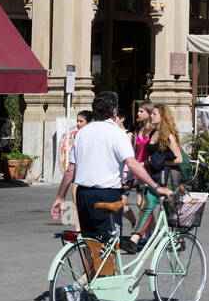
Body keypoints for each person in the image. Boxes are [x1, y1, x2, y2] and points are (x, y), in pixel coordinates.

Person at [50, 91, 170, 254]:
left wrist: (60, 197)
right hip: (107, 194)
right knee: (109, 245)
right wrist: (155, 186)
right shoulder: (117, 134)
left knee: (90, 242)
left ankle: (92, 276)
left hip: (83, 194)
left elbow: (71, 170)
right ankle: (101, 276)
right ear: (114, 110)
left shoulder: (82, 133)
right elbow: (132, 163)